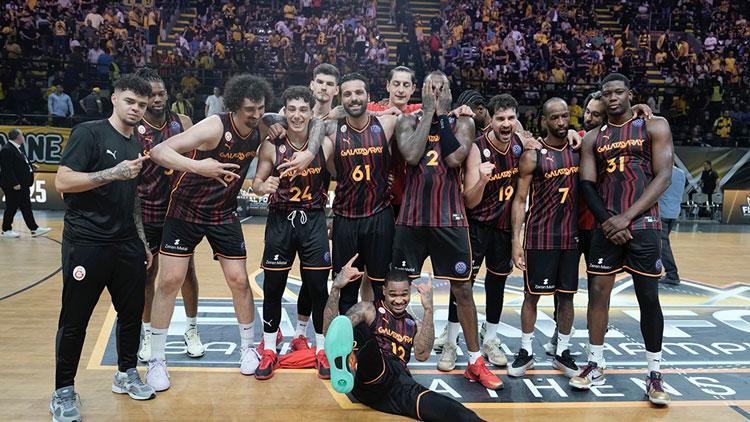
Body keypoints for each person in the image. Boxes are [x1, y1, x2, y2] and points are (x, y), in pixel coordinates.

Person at [145, 75, 288, 390]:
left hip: (223, 211)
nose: (255, 114)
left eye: (260, 108)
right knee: (169, 281)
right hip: (185, 209)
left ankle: (248, 348)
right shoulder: (213, 127)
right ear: (235, 105)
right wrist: (200, 167)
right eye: (249, 109)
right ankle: (157, 360)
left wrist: (275, 123)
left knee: (239, 280)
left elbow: (294, 119)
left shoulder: (262, 125)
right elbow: (159, 151)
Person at [51, 74, 156, 422]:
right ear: (114, 99)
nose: (136, 109)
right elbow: (63, 181)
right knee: (75, 320)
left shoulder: (135, 142)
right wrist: (112, 173)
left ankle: (126, 373)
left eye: (142, 105)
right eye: (130, 101)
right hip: (87, 242)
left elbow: (133, 197)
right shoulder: (89, 133)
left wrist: (141, 241)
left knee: (131, 315)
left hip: (126, 243)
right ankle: (63, 391)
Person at [392, 71, 502, 389]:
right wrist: (428, 112)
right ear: (423, 91)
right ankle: (394, 359)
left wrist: (440, 116)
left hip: (449, 220)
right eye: (431, 88)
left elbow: (454, 158)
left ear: (451, 93)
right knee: (397, 289)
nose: (437, 94)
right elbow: (412, 155)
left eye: (442, 89)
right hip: (411, 220)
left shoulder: (463, 123)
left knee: (463, 291)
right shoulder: (407, 120)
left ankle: (475, 362)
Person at [574, 73, 673, 405]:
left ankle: (654, 373)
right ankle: (595, 363)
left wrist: (626, 217)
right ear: (602, 98)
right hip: (607, 226)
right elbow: (587, 184)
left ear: (630, 94)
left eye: (618, 92)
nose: (613, 98)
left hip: (643, 224)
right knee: (597, 294)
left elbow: (664, 176)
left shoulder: (653, 125)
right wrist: (608, 221)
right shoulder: (593, 137)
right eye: (607, 94)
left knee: (648, 298)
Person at [323, 259, 482, 421]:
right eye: (393, 295)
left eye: (404, 294)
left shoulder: (414, 324)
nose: (399, 300)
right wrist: (335, 288)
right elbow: (330, 331)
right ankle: (344, 364)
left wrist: (428, 309)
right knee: (362, 334)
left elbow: (422, 355)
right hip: (370, 376)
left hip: (398, 387)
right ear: (384, 291)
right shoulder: (368, 309)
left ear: (410, 292)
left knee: (446, 408)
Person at [252, 86, 333, 380]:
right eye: (292, 110)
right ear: (284, 112)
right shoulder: (271, 146)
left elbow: (339, 174)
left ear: (311, 113)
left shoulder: (323, 144)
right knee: (273, 287)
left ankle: (320, 348)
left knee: (318, 287)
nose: (297, 115)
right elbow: (256, 183)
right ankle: (269, 348)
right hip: (280, 221)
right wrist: (263, 187)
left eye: (303, 110)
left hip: (313, 220)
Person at [132, 68, 204, 363]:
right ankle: (148, 334)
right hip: (148, 209)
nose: (158, 99)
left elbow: (199, 155)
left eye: (161, 93)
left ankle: (192, 329)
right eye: (151, 95)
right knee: (148, 274)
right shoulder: (134, 128)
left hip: (179, 209)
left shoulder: (182, 122)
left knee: (187, 272)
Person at [509, 98, 580, 379]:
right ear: (544, 121)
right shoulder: (533, 155)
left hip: (570, 237)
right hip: (539, 236)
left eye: (564, 117)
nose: (561, 122)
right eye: (555, 118)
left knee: (567, 298)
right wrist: (516, 241)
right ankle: (526, 351)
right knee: (532, 296)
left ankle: (562, 351)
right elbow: (520, 199)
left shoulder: (578, 149)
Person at [458, 94, 530, 369]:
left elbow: (521, 198)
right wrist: (482, 179)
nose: (506, 123)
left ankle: (490, 339)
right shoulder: (477, 148)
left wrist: (516, 240)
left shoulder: (520, 144)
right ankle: (451, 340)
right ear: (491, 120)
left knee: (497, 285)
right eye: (500, 118)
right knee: (462, 284)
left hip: (503, 228)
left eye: (511, 118)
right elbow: (469, 200)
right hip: (476, 225)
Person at [0, 128, 51, 238]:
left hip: (22, 184)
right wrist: (14, 183)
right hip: (14, 185)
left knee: (26, 207)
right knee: (11, 207)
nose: (23, 137)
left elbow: (19, 164)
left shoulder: (17, 148)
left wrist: (31, 167)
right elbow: (6, 169)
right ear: (18, 137)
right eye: (22, 135)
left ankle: (34, 229)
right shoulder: (7, 149)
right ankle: (6, 230)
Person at [658, 166, 686, 285]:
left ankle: (672, 274)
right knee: (659, 244)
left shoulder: (661, 170)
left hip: (662, 213)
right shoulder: (681, 173)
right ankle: (656, 269)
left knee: (662, 245)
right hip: (673, 213)